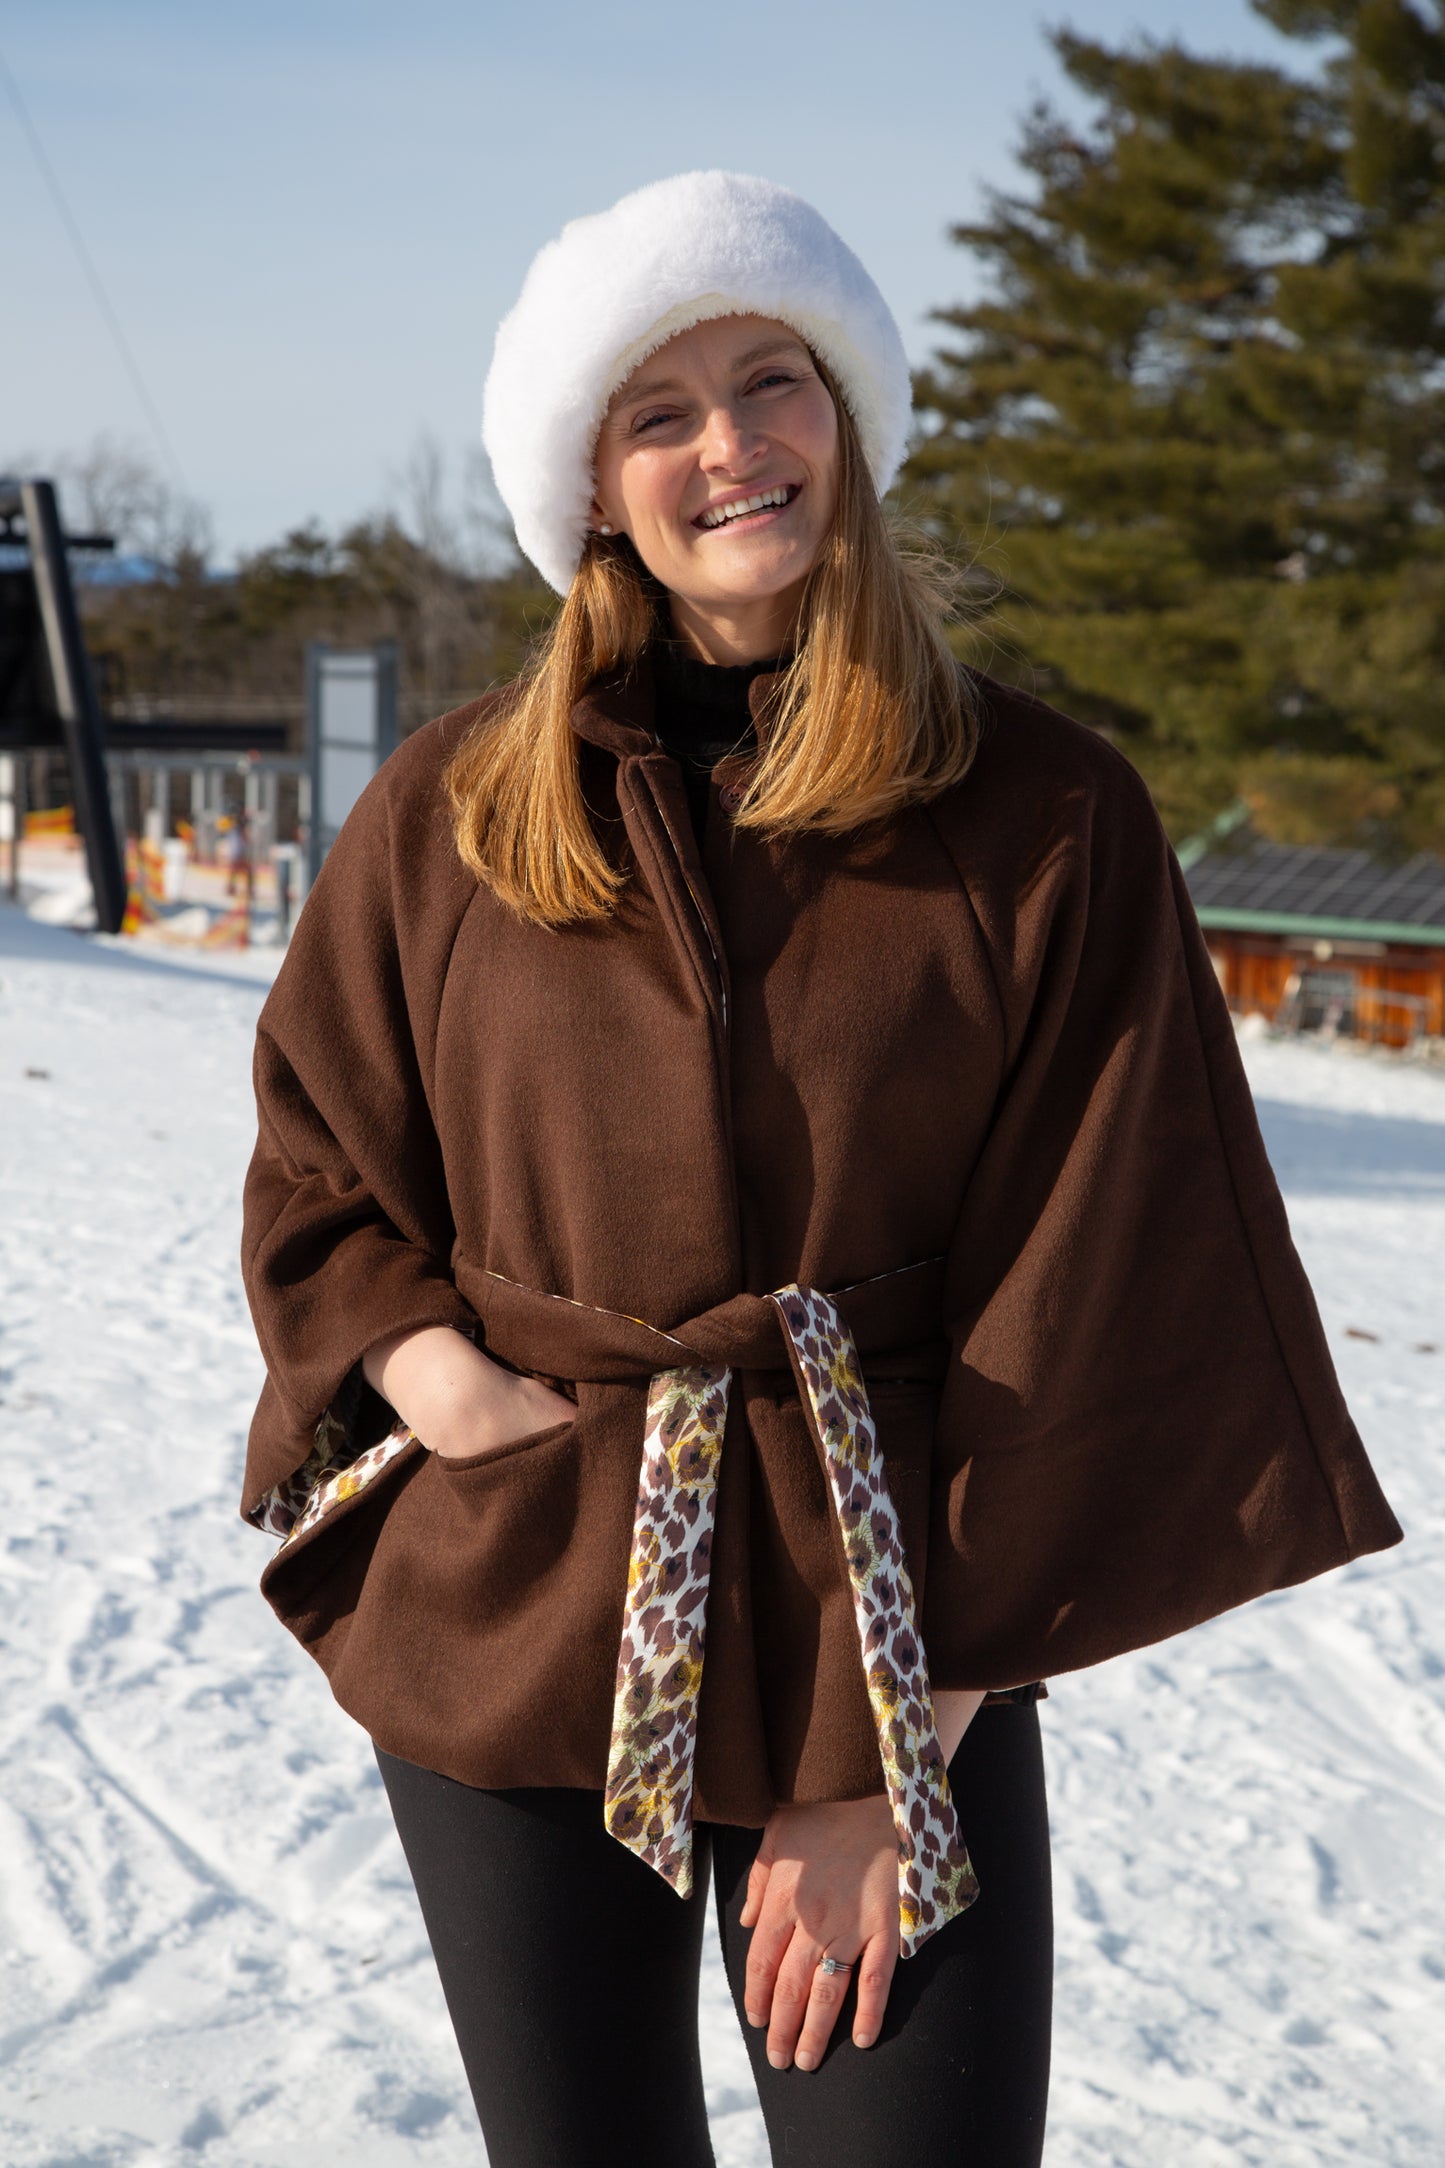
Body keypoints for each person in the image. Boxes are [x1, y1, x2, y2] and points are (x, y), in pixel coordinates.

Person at [239, 171, 1401, 2168]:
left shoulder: (1043, 814)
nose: (728, 446)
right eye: (659, 412)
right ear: (593, 484)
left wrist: (901, 1736)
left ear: (846, 413)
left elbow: (1105, 1266)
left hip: (897, 1604)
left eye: (770, 378)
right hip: (523, 1597)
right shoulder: (447, 813)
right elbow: (323, 1150)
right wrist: (438, 1379)